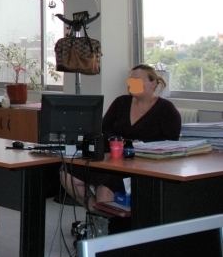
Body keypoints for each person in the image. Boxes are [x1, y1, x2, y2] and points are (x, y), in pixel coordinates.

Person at [60, 64, 181, 211]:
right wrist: (117, 142)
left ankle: (104, 219)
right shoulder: (121, 102)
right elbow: (103, 129)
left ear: (153, 83)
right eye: (131, 80)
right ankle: (95, 213)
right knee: (67, 173)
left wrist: (138, 144)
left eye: (138, 80)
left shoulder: (167, 109)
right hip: (112, 160)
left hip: (140, 166)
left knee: (105, 191)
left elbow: (170, 142)